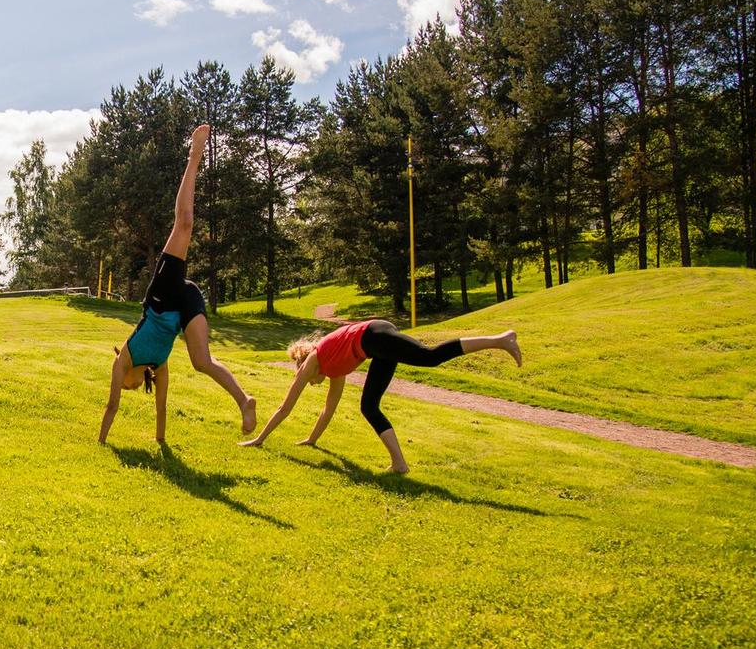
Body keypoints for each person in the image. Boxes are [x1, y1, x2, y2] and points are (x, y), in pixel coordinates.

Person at [98, 124, 257, 445]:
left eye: (127, 386)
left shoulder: (123, 360)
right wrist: (160, 442)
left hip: (161, 295)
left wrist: (101, 443)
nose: (128, 387)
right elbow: (161, 407)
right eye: (130, 387)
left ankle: (194, 155)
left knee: (184, 224)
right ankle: (245, 401)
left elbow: (111, 405)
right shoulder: (158, 364)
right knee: (202, 362)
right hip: (187, 300)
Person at [239, 319, 522, 473]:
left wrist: (259, 439)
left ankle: (500, 340)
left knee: (429, 357)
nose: (311, 383)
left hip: (374, 335)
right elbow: (328, 410)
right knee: (369, 406)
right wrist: (312, 441)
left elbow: (285, 407)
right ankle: (399, 464)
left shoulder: (315, 360)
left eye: (308, 379)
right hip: (374, 347)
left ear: (302, 366)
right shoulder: (334, 368)